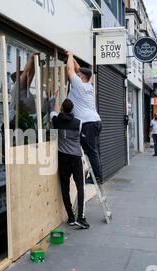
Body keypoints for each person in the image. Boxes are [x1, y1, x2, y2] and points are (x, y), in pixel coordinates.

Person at [51, 99, 89, 229]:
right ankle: (80, 217)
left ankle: (71, 218)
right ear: (72, 109)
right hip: (76, 157)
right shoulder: (78, 123)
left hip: (63, 158)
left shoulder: (56, 120)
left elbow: (52, 111)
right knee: (80, 186)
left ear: (62, 108)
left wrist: (53, 100)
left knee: (65, 187)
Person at [66, 51, 103, 184]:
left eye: (79, 75)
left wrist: (70, 55)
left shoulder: (79, 84)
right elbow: (76, 68)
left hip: (88, 124)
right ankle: (96, 174)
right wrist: (73, 57)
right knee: (92, 150)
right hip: (94, 122)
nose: (77, 75)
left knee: (91, 151)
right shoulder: (87, 85)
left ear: (83, 78)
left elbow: (70, 69)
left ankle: (97, 178)